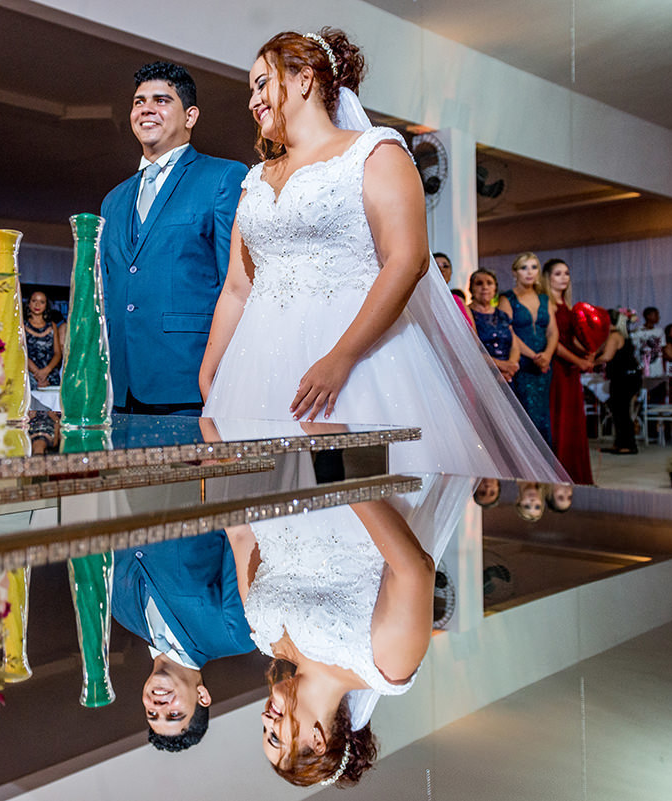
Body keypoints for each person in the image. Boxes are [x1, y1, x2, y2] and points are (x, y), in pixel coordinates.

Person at [200, 29, 564, 482]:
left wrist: (341, 358)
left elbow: (407, 260)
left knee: (359, 504)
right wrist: (212, 365)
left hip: (357, 361)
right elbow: (238, 285)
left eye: (261, 83)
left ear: (303, 80)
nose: (252, 100)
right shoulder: (254, 180)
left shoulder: (375, 152)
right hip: (257, 366)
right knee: (265, 513)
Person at [229, 500, 434, 787]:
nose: (265, 718)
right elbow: (416, 570)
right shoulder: (383, 668)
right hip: (346, 488)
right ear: (317, 741)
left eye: (262, 731)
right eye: (274, 736)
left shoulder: (264, 636)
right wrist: (345, 482)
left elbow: (240, 536)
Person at [100, 61, 248, 415]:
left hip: (189, 383)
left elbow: (238, 283)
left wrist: (225, 374)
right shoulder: (113, 199)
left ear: (190, 116)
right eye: (139, 102)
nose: (146, 109)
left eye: (161, 100)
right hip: (118, 389)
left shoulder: (224, 177)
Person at [112, 532, 256, 752]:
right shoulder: (234, 636)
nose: (159, 707)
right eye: (174, 714)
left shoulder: (121, 614)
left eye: (152, 714)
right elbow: (241, 536)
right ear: (202, 696)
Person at [540, 258, 593, 484]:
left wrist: (590, 352)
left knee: (573, 422)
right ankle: (560, 475)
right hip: (558, 369)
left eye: (567, 273)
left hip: (571, 370)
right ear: (548, 278)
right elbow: (555, 343)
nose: (564, 278)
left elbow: (572, 339)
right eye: (558, 274)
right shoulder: (547, 303)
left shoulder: (568, 305)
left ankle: (576, 475)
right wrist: (578, 361)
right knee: (559, 420)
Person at [498, 252, 557, 446]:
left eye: (533, 267)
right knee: (525, 416)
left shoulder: (544, 298)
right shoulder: (507, 298)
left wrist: (547, 355)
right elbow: (508, 332)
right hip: (521, 364)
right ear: (515, 272)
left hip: (544, 366)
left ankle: (546, 470)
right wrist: (533, 356)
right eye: (524, 268)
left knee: (543, 416)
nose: (529, 272)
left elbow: (552, 332)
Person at [595, 309, 642, 455]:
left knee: (621, 412)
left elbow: (606, 357)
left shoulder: (614, 336)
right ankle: (620, 443)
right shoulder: (621, 335)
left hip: (623, 378)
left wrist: (591, 362)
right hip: (628, 377)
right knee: (619, 411)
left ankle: (628, 445)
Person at [467, 268, 521, 383]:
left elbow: (515, 347)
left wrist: (509, 369)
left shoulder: (503, 315)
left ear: (495, 288)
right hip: (481, 377)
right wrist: (501, 366)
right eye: (479, 283)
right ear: (471, 288)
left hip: (508, 377)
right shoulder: (467, 314)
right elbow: (470, 350)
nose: (485, 287)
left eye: (489, 283)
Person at [23, 291, 61, 389]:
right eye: (34, 301)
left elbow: (57, 353)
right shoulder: (21, 326)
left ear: (46, 306)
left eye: (42, 302)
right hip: (30, 376)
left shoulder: (52, 326)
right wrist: (37, 374)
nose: (37, 304)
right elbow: (21, 352)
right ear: (29, 303)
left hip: (50, 375)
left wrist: (45, 371)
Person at [631, 306, 664, 377]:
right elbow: (634, 348)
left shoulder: (660, 331)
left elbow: (662, 347)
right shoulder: (638, 331)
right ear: (648, 316)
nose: (658, 317)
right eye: (656, 315)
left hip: (657, 365)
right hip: (643, 364)